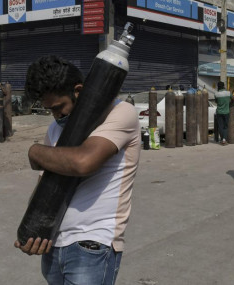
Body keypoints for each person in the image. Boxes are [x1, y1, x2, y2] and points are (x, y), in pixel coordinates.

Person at [14, 55, 141, 284]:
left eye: (58, 107)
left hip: (92, 245)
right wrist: (33, 228)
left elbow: (84, 162)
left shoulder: (121, 113)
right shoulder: (55, 129)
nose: (56, 116)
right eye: (49, 110)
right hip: (53, 245)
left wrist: (34, 151)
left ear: (79, 91)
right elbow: (45, 184)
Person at [214, 81, 234, 145]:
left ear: (218, 87)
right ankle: (224, 140)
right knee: (225, 127)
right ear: (224, 86)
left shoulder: (216, 94)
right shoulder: (228, 93)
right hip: (226, 112)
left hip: (219, 112)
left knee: (220, 127)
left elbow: (216, 102)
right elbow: (233, 98)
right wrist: (229, 103)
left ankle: (222, 139)